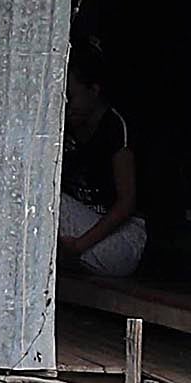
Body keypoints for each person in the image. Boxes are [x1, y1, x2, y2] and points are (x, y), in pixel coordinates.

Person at [56, 82, 145, 282]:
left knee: (47, 196)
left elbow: (126, 203)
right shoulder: (66, 128)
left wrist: (77, 247)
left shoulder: (114, 127)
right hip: (85, 243)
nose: (66, 104)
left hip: (122, 244)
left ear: (94, 90)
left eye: (71, 95)